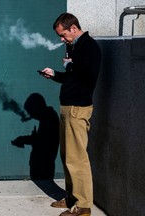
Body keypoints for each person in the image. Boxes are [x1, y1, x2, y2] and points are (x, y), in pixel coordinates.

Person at [40, 13, 101, 216]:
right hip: (68, 107)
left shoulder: (89, 46)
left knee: (77, 159)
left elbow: (88, 75)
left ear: (73, 28)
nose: (62, 39)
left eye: (64, 35)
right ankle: (72, 197)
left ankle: (83, 206)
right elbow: (73, 77)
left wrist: (69, 65)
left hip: (78, 108)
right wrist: (56, 75)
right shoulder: (73, 46)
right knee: (68, 157)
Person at [11, 93, 59, 180]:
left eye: (31, 111)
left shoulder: (49, 118)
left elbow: (42, 140)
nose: (32, 115)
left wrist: (23, 139)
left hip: (43, 169)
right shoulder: (48, 117)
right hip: (42, 168)